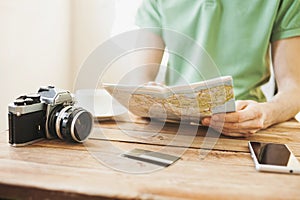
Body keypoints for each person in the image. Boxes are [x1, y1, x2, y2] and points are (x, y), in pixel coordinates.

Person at [132, 0, 300, 137]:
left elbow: (294, 87)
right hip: (171, 126)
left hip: (245, 128)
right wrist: (147, 96)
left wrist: (265, 114)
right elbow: (140, 78)